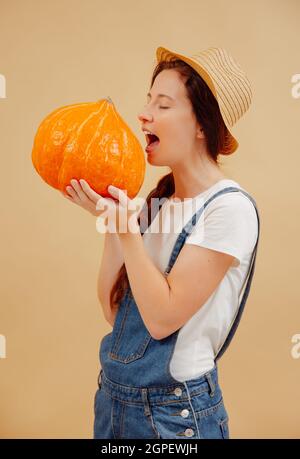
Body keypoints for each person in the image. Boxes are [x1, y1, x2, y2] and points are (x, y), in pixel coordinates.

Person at [65, 46, 260, 439]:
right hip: (114, 402)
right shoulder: (157, 202)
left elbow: (161, 319)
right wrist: (111, 219)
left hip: (174, 416)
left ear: (203, 124)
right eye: (148, 100)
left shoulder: (228, 210)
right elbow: (116, 312)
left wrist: (125, 232)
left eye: (163, 105)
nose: (144, 114)